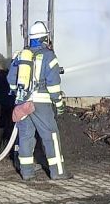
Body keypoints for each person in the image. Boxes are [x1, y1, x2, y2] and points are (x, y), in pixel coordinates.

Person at [6, 21, 68, 180]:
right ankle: (58, 173)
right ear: (44, 38)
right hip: (41, 104)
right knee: (50, 136)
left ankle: (26, 173)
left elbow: (11, 79)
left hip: (23, 102)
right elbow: (54, 85)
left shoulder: (21, 56)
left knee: (25, 137)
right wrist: (59, 105)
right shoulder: (49, 56)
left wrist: (18, 94)